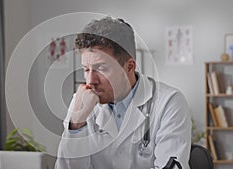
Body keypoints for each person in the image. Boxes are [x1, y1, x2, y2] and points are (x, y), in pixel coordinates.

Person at [55, 16, 191, 169]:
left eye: (101, 68)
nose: (91, 80)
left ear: (130, 66)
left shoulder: (169, 103)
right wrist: (77, 124)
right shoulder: (81, 101)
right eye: (86, 69)